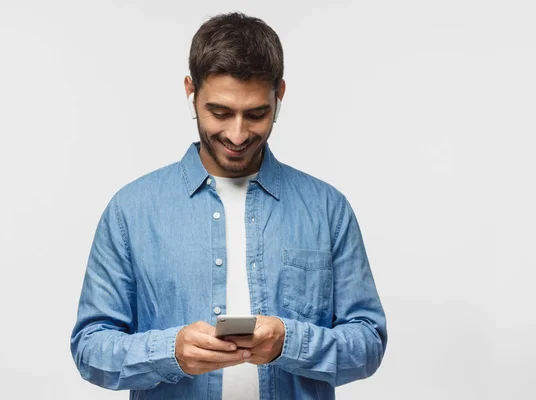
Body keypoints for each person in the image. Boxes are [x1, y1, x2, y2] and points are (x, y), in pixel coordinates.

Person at [70, 12, 387, 400]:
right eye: (219, 113)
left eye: (256, 114)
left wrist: (290, 341)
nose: (237, 135)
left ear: (279, 95)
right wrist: (170, 353)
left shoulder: (327, 209)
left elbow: (369, 342)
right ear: (191, 91)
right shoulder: (131, 211)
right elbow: (90, 348)